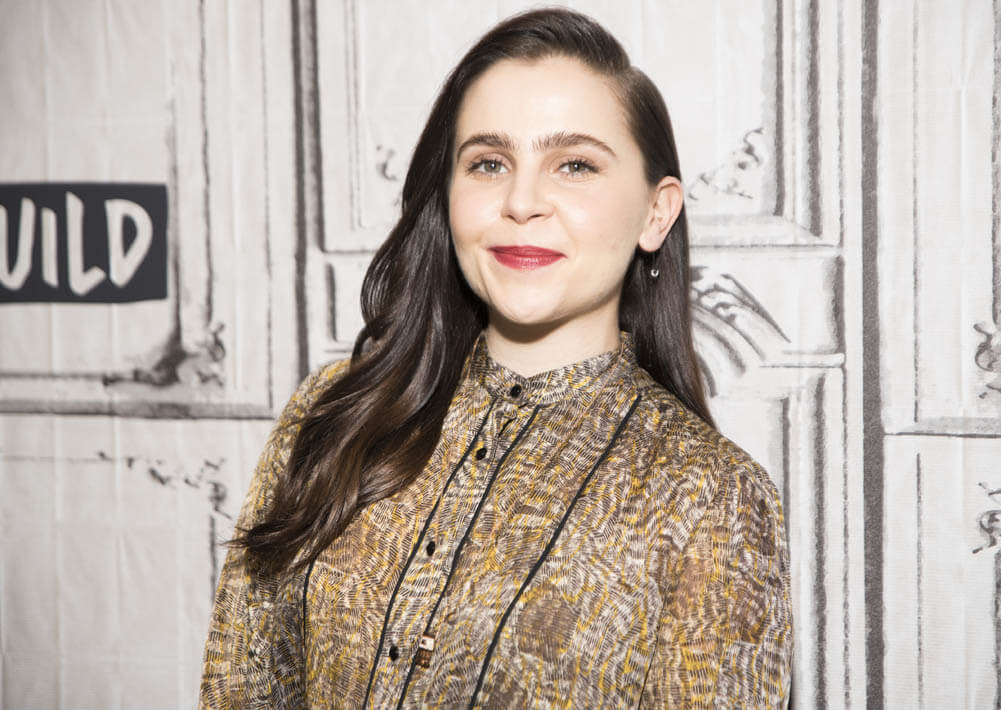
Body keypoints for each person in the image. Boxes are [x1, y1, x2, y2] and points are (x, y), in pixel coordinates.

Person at [200, 7, 792, 708]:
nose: (521, 201)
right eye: (488, 163)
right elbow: (239, 688)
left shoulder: (711, 495)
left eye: (575, 165)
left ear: (655, 213)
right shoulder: (334, 412)